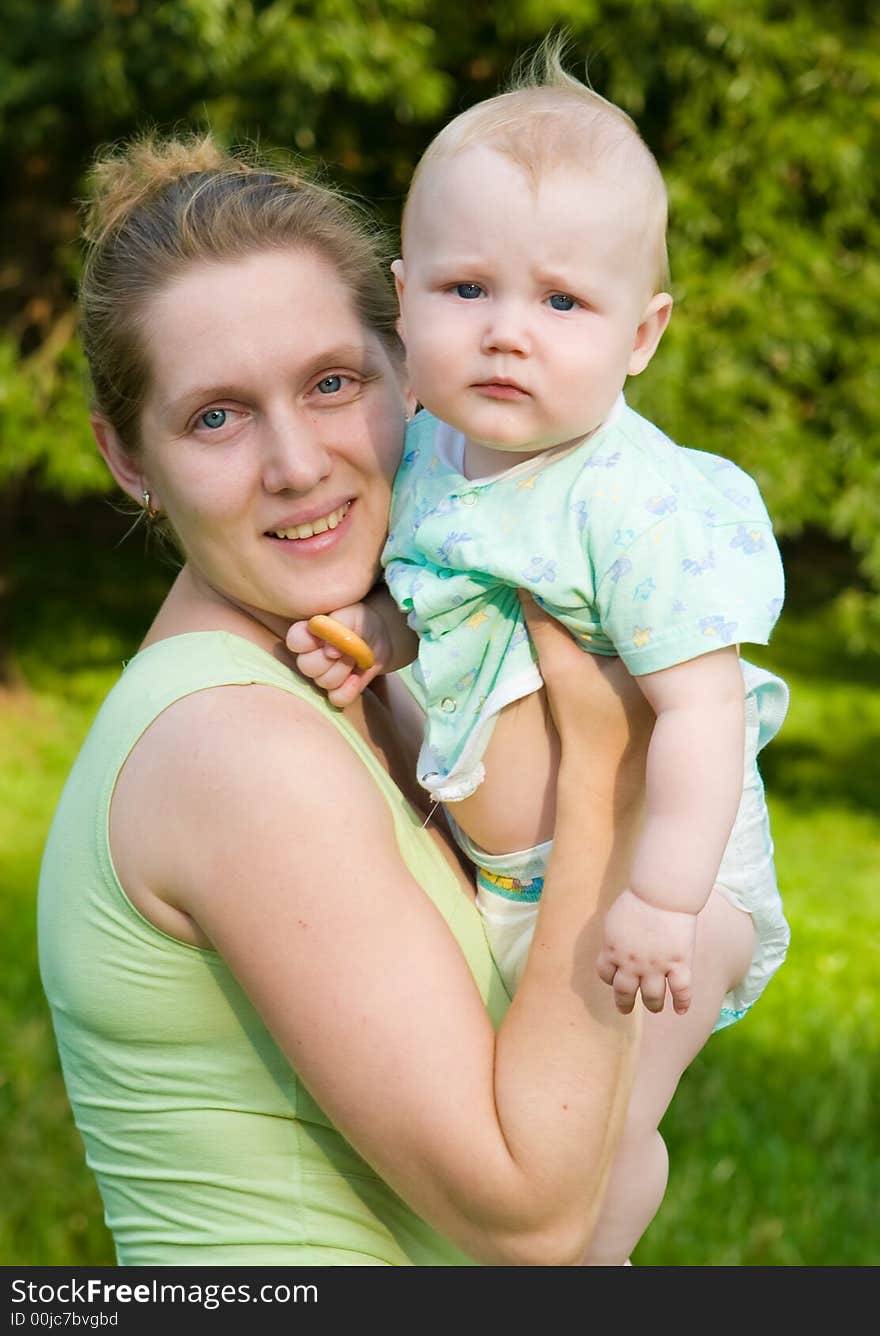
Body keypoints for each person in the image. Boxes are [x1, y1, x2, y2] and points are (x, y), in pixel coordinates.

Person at [36, 131, 656, 1267]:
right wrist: (610, 778)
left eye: (332, 384)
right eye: (215, 416)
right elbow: (530, 1216)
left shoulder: (359, 677)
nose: (297, 464)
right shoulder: (232, 746)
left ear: (410, 365)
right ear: (129, 459)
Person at [290, 43, 791, 1265]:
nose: (509, 334)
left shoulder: (632, 504)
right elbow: (444, 606)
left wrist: (663, 901)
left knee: (595, 1146)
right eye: (468, 291)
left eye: (561, 302)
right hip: (517, 879)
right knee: (488, 1132)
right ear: (402, 299)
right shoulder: (422, 455)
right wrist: (384, 641)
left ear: (642, 333)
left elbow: (704, 713)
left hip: (668, 879)